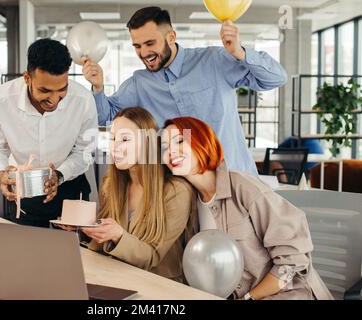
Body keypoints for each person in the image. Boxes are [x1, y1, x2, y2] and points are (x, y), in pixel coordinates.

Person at [82, 6, 287, 175]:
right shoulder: (139, 83)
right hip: (182, 188)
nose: (143, 53)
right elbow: (105, 117)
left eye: (150, 43)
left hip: (233, 178)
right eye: (137, 46)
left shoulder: (213, 61)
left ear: (171, 37)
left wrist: (238, 52)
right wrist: (98, 87)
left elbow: (275, 78)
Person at [161, 116, 333, 300]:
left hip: (289, 293)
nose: (171, 151)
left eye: (179, 141)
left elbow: (293, 260)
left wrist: (250, 297)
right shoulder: (187, 202)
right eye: (164, 147)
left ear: (202, 142)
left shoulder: (243, 186)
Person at [69, 107, 197, 283]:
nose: (115, 146)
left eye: (125, 139)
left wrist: (118, 235)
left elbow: (152, 257)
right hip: (115, 278)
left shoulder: (176, 192)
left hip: (159, 288)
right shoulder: (110, 183)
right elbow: (105, 242)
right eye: (112, 138)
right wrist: (82, 229)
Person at [0, 39, 98, 228]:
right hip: (24, 191)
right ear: (27, 78)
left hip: (70, 187)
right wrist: (1, 173)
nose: (54, 99)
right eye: (45, 90)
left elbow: (85, 152)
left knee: (78, 255)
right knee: (28, 254)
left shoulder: (83, 100)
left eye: (62, 89)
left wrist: (59, 175)